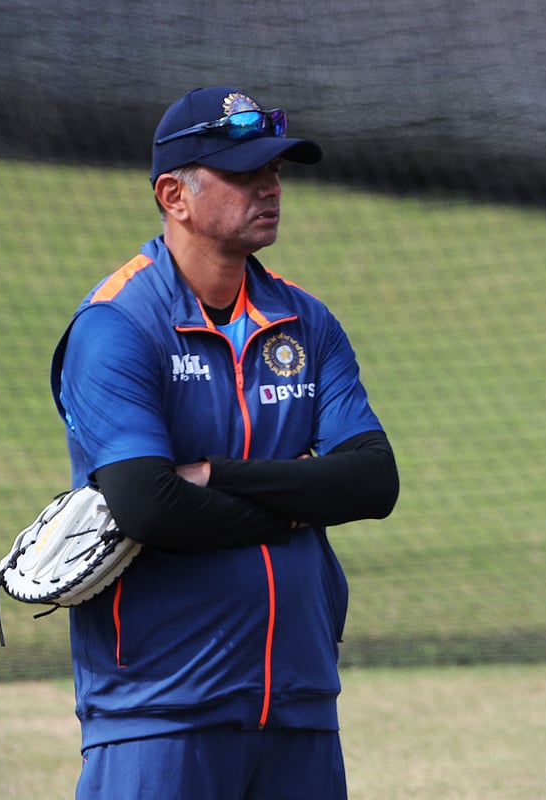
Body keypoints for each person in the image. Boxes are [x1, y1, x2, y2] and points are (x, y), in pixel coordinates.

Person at [51, 85, 399, 799]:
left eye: (274, 171)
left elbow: (372, 481)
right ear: (174, 196)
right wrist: (297, 507)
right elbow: (150, 505)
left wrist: (212, 475)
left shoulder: (306, 321)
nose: (269, 186)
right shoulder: (116, 325)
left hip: (297, 699)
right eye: (244, 173)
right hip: (159, 707)